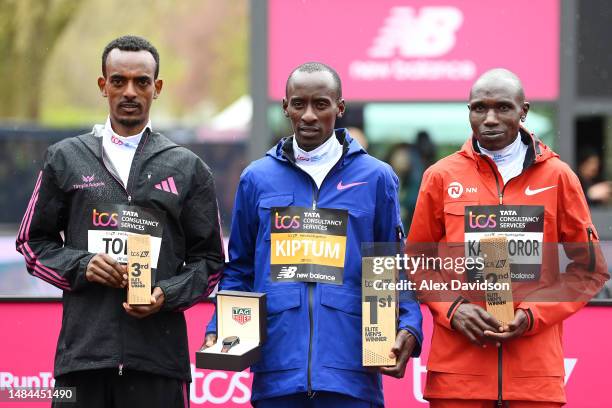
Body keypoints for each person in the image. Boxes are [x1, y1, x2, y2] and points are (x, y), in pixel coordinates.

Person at [16, 35, 224, 408]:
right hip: (82, 361)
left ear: (156, 88)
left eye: (141, 82)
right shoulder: (65, 158)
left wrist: (165, 295)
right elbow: (33, 243)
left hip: (159, 363)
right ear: (103, 86)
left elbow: (209, 264)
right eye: (118, 81)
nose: (130, 91)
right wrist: (83, 265)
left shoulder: (188, 168)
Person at [201, 62, 423, 407]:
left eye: (320, 104)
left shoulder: (377, 178)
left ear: (340, 108)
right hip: (277, 370)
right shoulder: (256, 179)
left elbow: (390, 265)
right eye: (298, 104)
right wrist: (220, 324)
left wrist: (409, 323)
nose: (308, 115)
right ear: (285, 107)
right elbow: (241, 268)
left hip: (350, 372)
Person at [407, 68, 608, 407]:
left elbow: (589, 270)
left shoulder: (558, 177)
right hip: (458, 378)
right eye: (478, 108)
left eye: (502, 107)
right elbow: (416, 262)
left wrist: (532, 314)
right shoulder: (440, 176)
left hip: (534, 378)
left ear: (523, 111)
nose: (489, 119)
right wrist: (452, 309)